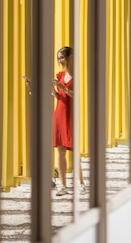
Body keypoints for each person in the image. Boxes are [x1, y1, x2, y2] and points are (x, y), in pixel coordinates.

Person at [52, 46, 86, 196]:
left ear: (70, 57)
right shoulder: (59, 75)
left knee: (75, 149)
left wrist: (62, 88)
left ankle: (81, 183)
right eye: (58, 57)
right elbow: (58, 95)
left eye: (62, 57)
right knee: (60, 151)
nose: (60, 60)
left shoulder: (77, 76)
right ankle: (63, 185)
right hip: (59, 112)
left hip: (71, 115)